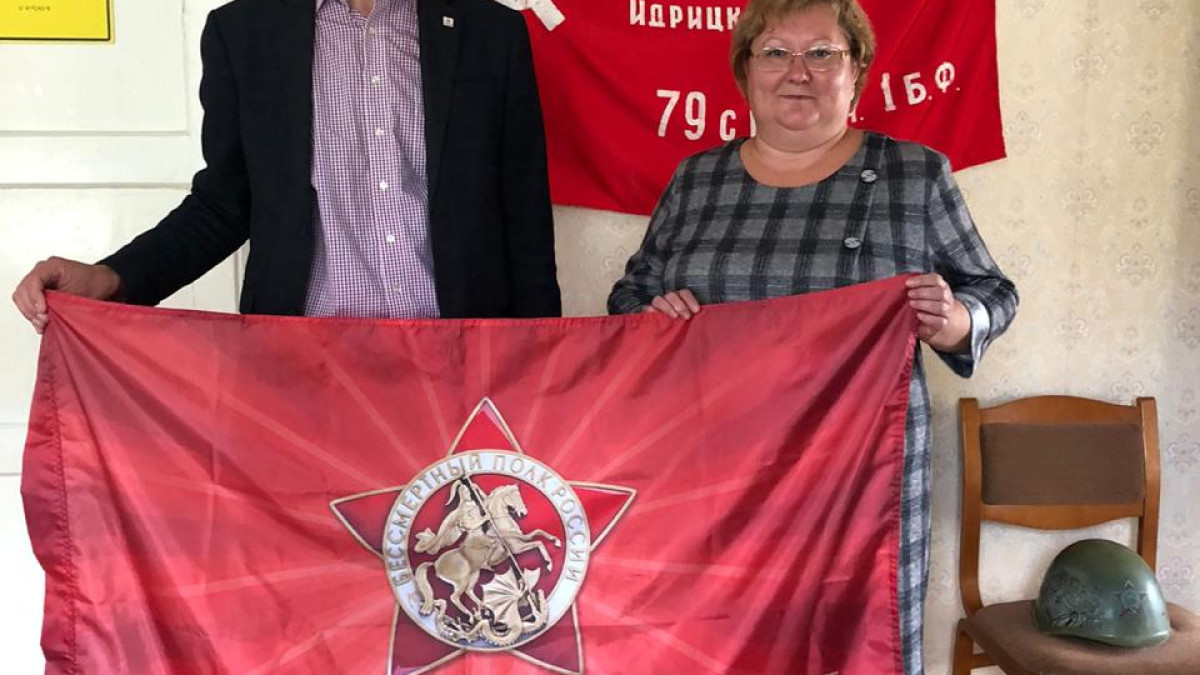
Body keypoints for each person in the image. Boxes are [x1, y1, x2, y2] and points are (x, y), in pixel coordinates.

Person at [606, 0, 1018, 673]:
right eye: (775, 52)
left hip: (859, 482)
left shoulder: (914, 174)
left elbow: (994, 292)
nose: (798, 71)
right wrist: (654, 313)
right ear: (745, 72)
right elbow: (629, 294)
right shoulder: (696, 178)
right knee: (712, 645)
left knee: (856, 645)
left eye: (822, 53)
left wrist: (955, 321)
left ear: (856, 72)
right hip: (712, 475)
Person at [12, 0, 560, 332]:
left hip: (464, 348)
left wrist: (544, 355)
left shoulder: (491, 32)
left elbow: (524, 213)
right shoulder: (243, 32)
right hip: (298, 357)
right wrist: (112, 276)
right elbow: (223, 206)